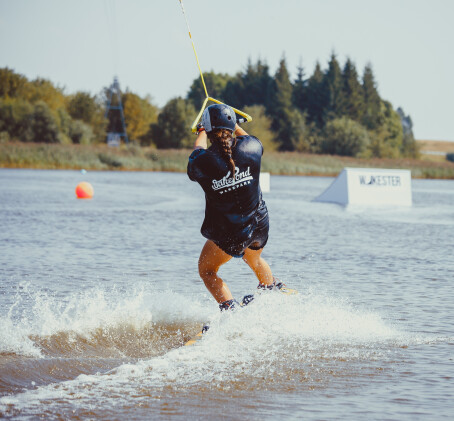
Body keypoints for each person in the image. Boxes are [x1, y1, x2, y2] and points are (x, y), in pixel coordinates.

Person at [187, 103, 285, 311]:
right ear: (232, 127)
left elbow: (197, 151)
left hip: (230, 234)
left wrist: (202, 132)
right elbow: (246, 138)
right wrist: (232, 121)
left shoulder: (201, 162)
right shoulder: (253, 147)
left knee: (207, 270)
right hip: (260, 226)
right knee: (253, 256)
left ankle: (229, 309)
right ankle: (269, 287)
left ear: (207, 129)